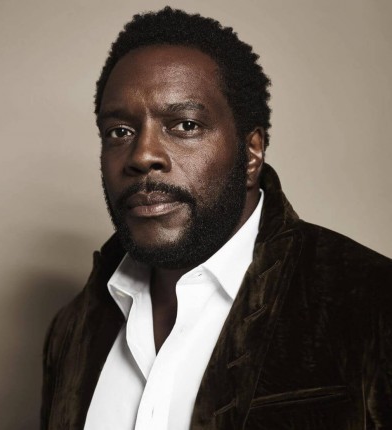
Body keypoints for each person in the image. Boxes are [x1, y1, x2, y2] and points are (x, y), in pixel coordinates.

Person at [41, 7, 392, 430]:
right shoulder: (73, 329)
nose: (142, 155)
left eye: (185, 125)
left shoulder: (371, 303)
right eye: (120, 131)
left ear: (251, 153)